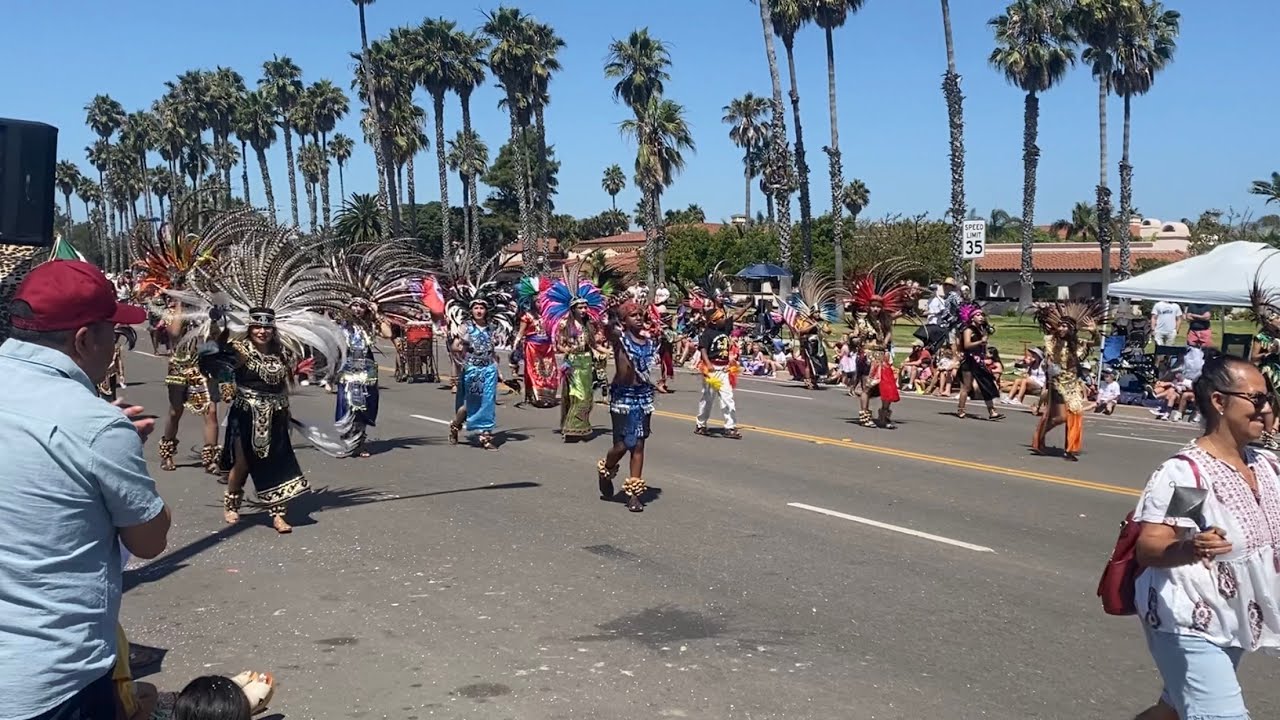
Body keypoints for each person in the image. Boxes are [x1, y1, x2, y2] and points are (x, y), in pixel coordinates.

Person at [0, 260, 171, 720]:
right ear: (84, 340)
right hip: (53, 682)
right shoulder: (94, 425)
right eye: (114, 332)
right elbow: (150, 540)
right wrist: (116, 450)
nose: (116, 344)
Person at [1131, 353, 1280, 720]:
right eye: (1257, 399)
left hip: (1236, 616)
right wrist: (1190, 547)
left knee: (1173, 709)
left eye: (1270, 399)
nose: (1266, 409)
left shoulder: (1266, 466)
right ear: (1219, 401)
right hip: (1190, 620)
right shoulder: (1190, 474)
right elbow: (1150, 546)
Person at [599, 297, 657, 512]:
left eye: (640, 315)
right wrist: (611, 311)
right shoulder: (619, 339)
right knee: (623, 445)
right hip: (622, 397)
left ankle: (634, 493)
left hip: (643, 396)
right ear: (624, 321)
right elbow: (608, 329)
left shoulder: (648, 342)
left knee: (639, 444)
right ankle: (607, 468)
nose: (639, 319)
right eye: (633, 315)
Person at [447, 282, 516, 452]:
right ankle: (455, 425)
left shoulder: (491, 328)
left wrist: (498, 370)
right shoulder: (466, 327)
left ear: (486, 310)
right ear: (471, 310)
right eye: (476, 308)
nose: (479, 311)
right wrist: (460, 344)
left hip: (489, 369)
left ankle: (486, 437)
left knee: (488, 403)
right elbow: (455, 347)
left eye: (481, 308)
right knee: (470, 404)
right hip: (473, 370)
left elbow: (493, 352)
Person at [1031, 300, 1103, 462]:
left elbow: (1096, 343)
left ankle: (1070, 449)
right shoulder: (1051, 341)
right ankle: (1039, 437)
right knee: (1061, 417)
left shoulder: (1077, 344)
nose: (1062, 328)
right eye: (1060, 326)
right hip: (1056, 383)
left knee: (1076, 413)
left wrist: (1094, 331)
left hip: (1073, 384)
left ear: (1072, 329)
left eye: (1065, 326)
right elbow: (1051, 355)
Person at [543, 271, 607, 442]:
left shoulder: (589, 325)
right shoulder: (565, 324)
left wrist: (606, 352)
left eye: (585, 307)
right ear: (573, 309)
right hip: (573, 363)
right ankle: (571, 428)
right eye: (580, 307)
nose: (584, 310)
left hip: (587, 362)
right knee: (577, 395)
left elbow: (594, 344)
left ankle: (580, 427)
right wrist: (568, 350)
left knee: (588, 396)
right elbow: (559, 344)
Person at [335, 301, 380, 458]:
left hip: (366, 369)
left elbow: (388, 334)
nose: (357, 309)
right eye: (354, 305)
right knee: (346, 403)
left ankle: (359, 443)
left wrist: (377, 314)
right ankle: (347, 442)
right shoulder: (342, 324)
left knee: (363, 405)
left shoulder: (370, 326)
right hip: (347, 368)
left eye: (361, 306)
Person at [694, 310, 741, 439]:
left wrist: (748, 304)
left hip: (724, 370)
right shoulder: (708, 333)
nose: (724, 319)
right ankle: (701, 425)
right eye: (721, 318)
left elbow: (736, 316)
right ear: (714, 321)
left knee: (728, 398)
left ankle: (730, 427)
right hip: (711, 370)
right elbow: (702, 348)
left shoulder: (725, 329)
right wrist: (708, 363)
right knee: (707, 398)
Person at [514, 276, 560, 408]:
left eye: (542, 301)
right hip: (533, 346)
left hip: (547, 347)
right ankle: (536, 397)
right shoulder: (527, 316)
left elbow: (553, 330)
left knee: (549, 370)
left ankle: (549, 396)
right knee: (535, 371)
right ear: (533, 302)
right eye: (537, 302)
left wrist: (556, 342)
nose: (540, 304)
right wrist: (516, 342)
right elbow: (521, 331)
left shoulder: (548, 316)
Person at [954, 303, 1004, 421]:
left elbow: (983, 345)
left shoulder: (981, 329)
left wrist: (984, 351)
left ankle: (992, 411)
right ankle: (961, 409)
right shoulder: (968, 330)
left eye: (982, 315)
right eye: (978, 315)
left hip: (979, 360)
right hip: (969, 360)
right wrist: (980, 342)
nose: (981, 317)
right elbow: (966, 345)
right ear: (972, 317)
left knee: (985, 384)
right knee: (967, 387)